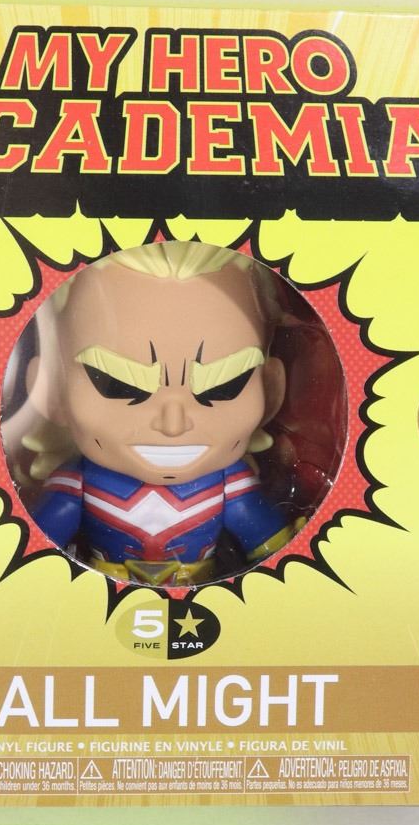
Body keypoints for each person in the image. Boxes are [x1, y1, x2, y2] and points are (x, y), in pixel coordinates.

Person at [23, 241, 299, 586]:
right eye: (118, 385)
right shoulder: (77, 485)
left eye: (224, 386)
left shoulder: (229, 485)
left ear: (270, 391)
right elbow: (27, 555)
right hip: (96, 594)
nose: (173, 424)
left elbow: (276, 552)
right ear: (52, 391)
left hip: (206, 590)